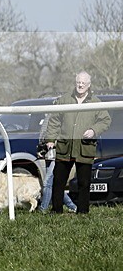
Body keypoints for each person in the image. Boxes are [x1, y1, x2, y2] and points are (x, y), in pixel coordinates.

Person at [45, 71, 110, 214]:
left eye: (83, 83)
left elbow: (105, 120)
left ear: (89, 85)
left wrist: (93, 130)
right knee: (58, 181)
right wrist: (50, 139)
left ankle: (83, 212)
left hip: (85, 148)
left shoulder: (96, 103)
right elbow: (54, 120)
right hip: (64, 147)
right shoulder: (64, 100)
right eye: (78, 82)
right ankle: (56, 210)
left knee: (84, 183)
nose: (80, 85)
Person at [37, 113, 77, 213]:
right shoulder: (48, 117)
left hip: (57, 153)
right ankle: (72, 206)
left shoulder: (61, 117)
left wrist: (54, 142)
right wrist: (41, 148)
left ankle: (43, 208)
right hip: (48, 154)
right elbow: (43, 135)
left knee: (47, 183)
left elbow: (64, 134)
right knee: (55, 184)